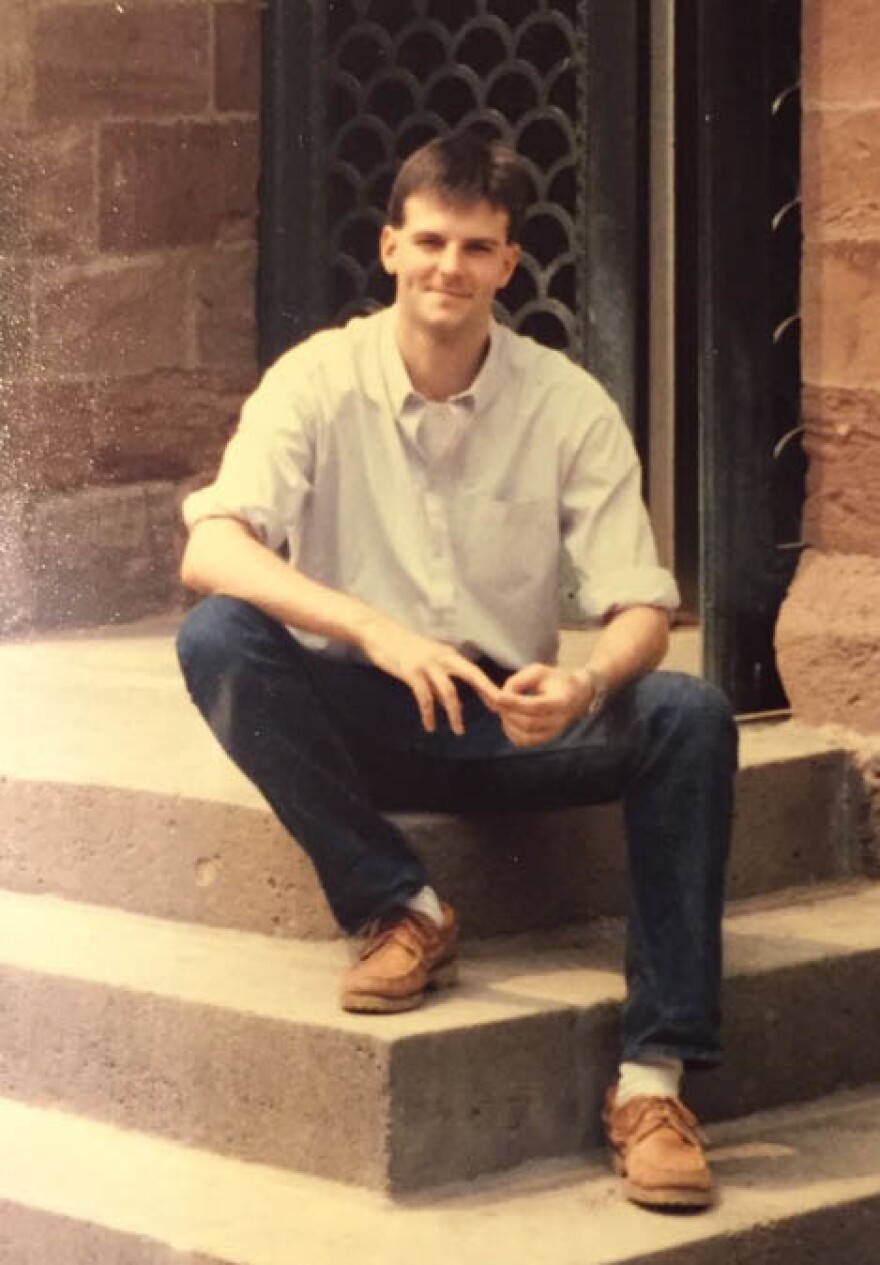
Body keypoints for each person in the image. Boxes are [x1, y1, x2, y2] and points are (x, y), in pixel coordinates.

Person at [176, 130, 737, 1211]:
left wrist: (583, 682)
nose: (449, 267)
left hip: (512, 717)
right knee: (217, 638)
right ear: (389, 247)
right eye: (428, 241)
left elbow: (641, 605)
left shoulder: (565, 399)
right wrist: (372, 630)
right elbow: (213, 547)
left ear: (508, 264)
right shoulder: (318, 378)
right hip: (366, 717)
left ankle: (653, 1081)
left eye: (475, 247)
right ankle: (401, 905)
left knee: (687, 711)